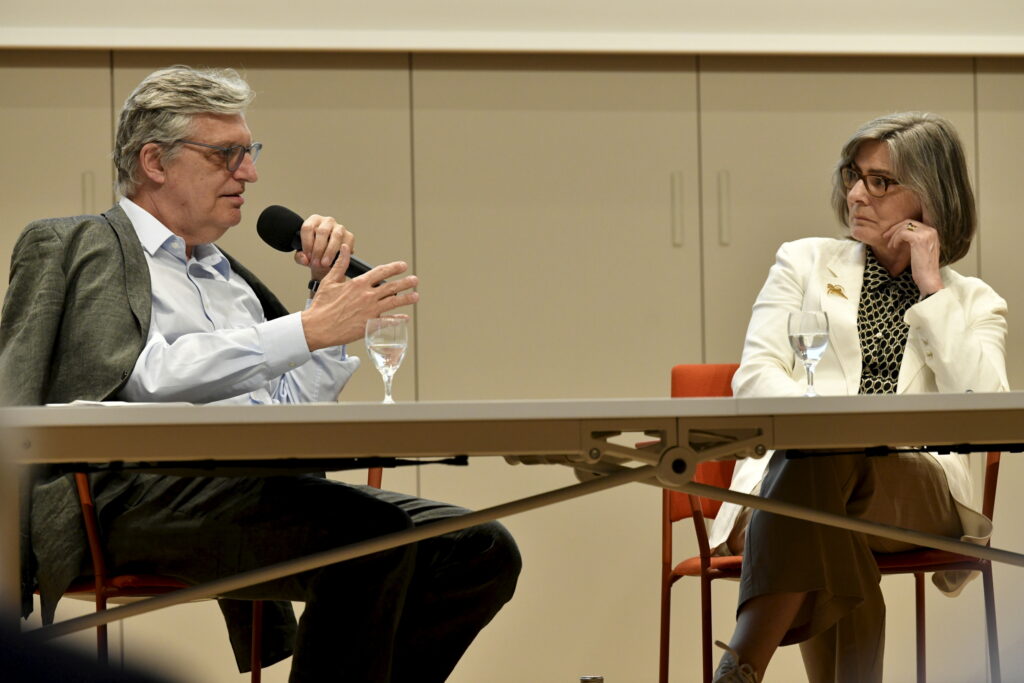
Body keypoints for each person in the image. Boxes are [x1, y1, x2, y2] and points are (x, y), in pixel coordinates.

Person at [0, 65, 521, 682]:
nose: (249, 174)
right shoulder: (78, 244)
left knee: (479, 549)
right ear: (154, 162)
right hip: (123, 499)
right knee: (368, 538)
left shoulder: (232, 281)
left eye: (249, 154)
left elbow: (287, 410)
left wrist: (324, 304)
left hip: (253, 491)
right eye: (226, 155)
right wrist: (307, 329)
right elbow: (138, 378)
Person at [705, 112, 1007, 683]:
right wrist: (836, 430)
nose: (855, 194)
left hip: (915, 494)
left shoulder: (972, 302)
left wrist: (932, 291)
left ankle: (741, 665)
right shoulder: (803, 262)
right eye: (854, 174)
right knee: (828, 485)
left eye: (880, 182)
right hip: (795, 485)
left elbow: (987, 411)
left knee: (822, 479)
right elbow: (757, 376)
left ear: (930, 196)